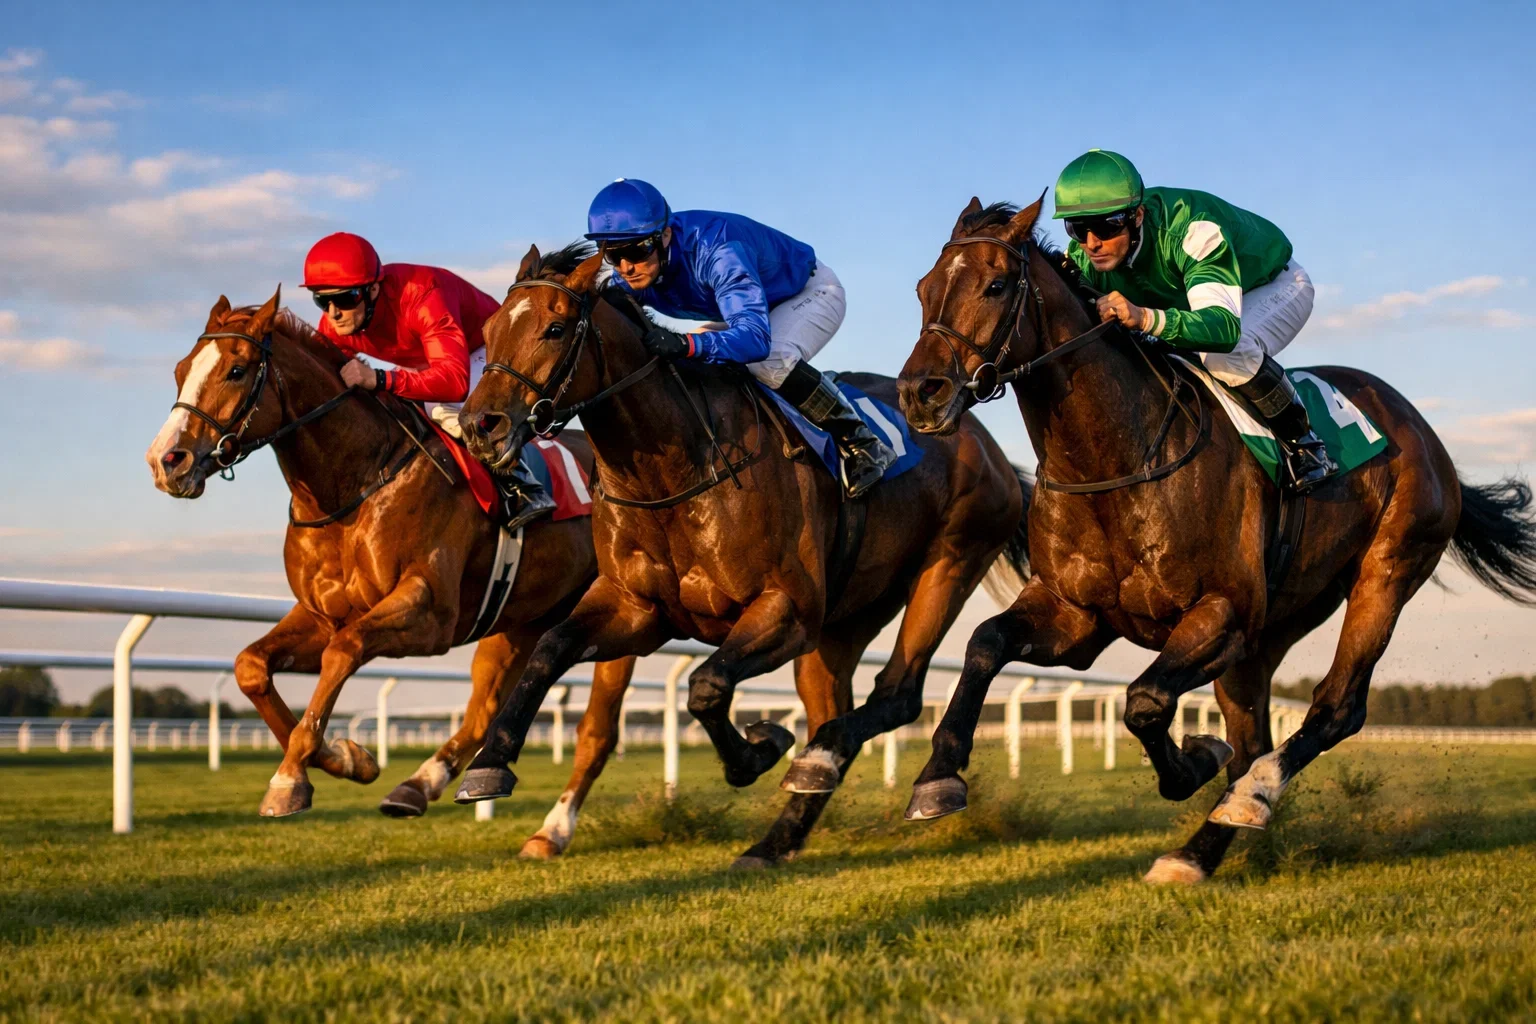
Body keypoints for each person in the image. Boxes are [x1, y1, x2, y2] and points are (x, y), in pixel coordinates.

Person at [585, 179, 897, 498]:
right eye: (613, 255)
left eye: (637, 250)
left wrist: (686, 344)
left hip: (809, 293)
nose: (626, 267)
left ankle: (863, 444)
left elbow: (754, 341)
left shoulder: (717, 249)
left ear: (665, 235)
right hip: (743, 312)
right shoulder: (631, 273)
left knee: (768, 360)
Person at [1052, 150, 1337, 492]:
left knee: (1222, 354)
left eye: (1106, 226)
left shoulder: (1193, 230)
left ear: (1137, 215)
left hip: (1271, 287)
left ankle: (1305, 444)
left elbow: (1222, 329)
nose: (1092, 243)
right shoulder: (1084, 254)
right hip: (1193, 303)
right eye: (1078, 229)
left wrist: (1144, 317)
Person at [301, 231, 555, 528]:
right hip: (431, 360)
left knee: (439, 407)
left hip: (486, 349)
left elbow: (454, 381)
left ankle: (522, 484)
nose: (333, 314)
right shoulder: (333, 325)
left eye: (345, 298)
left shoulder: (422, 295)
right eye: (322, 301)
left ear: (372, 290)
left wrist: (381, 379)